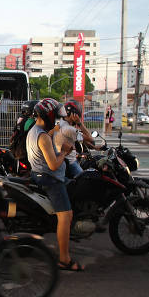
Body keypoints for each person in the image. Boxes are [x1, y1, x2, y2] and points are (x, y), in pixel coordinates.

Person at [27, 98, 83, 272]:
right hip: (50, 179)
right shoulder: (42, 136)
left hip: (40, 174)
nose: (57, 120)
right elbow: (53, 165)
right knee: (66, 216)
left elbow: (48, 141)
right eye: (55, 117)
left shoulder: (36, 130)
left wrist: (56, 137)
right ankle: (64, 259)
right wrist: (65, 152)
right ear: (49, 115)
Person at [54, 101, 94, 179]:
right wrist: (79, 123)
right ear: (74, 114)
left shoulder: (60, 124)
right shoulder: (69, 129)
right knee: (85, 180)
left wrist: (95, 147)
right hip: (71, 162)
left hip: (62, 158)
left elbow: (81, 139)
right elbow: (90, 138)